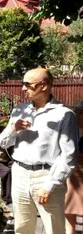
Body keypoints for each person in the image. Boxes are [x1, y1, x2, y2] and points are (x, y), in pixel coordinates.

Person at [0, 68, 79, 234]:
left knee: (53, 228)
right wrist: (14, 128)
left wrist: (50, 185)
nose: (23, 88)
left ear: (43, 86)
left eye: (27, 84)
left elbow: (68, 156)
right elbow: (3, 142)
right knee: (22, 227)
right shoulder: (19, 110)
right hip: (20, 173)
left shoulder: (64, 115)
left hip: (47, 175)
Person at [65, 100, 83, 234]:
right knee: (70, 206)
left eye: (80, 113)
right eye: (76, 112)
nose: (77, 115)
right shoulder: (70, 129)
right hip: (72, 171)